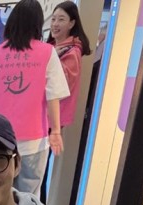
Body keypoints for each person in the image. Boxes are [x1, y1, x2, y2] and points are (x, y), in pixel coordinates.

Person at [0, 0, 69, 196]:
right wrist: (56, 131)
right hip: (33, 140)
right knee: (28, 197)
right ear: (37, 24)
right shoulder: (47, 52)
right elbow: (53, 96)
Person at [47, 1, 92, 130]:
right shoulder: (51, 47)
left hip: (51, 117)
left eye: (61, 19)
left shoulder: (72, 52)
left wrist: (50, 58)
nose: (55, 24)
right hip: (41, 114)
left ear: (71, 23)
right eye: (53, 19)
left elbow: (61, 85)